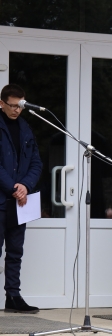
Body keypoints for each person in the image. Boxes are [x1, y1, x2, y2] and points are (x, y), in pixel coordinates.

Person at [0, 84, 43, 313]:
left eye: (20, 106)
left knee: (15, 252)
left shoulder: (26, 128)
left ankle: (13, 297)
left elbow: (36, 162)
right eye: (12, 105)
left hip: (20, 202)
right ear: (1, 104)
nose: (17, 110)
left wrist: (25, 185)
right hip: (3, 199)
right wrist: (13, 187)